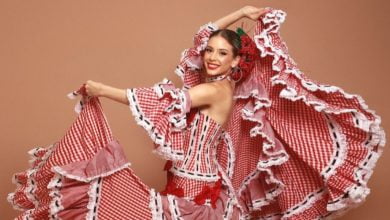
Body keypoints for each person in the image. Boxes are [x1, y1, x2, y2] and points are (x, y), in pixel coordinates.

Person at [8, 5, 385, 220]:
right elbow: (201, 36)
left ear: (238, 61)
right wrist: (240, 13)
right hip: (190, 176)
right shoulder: (219, 83)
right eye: (210, 51)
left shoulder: (213, 91)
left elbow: (167, 102)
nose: (211, 57)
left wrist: (101, 89)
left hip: (196, 183)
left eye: (223, 53)